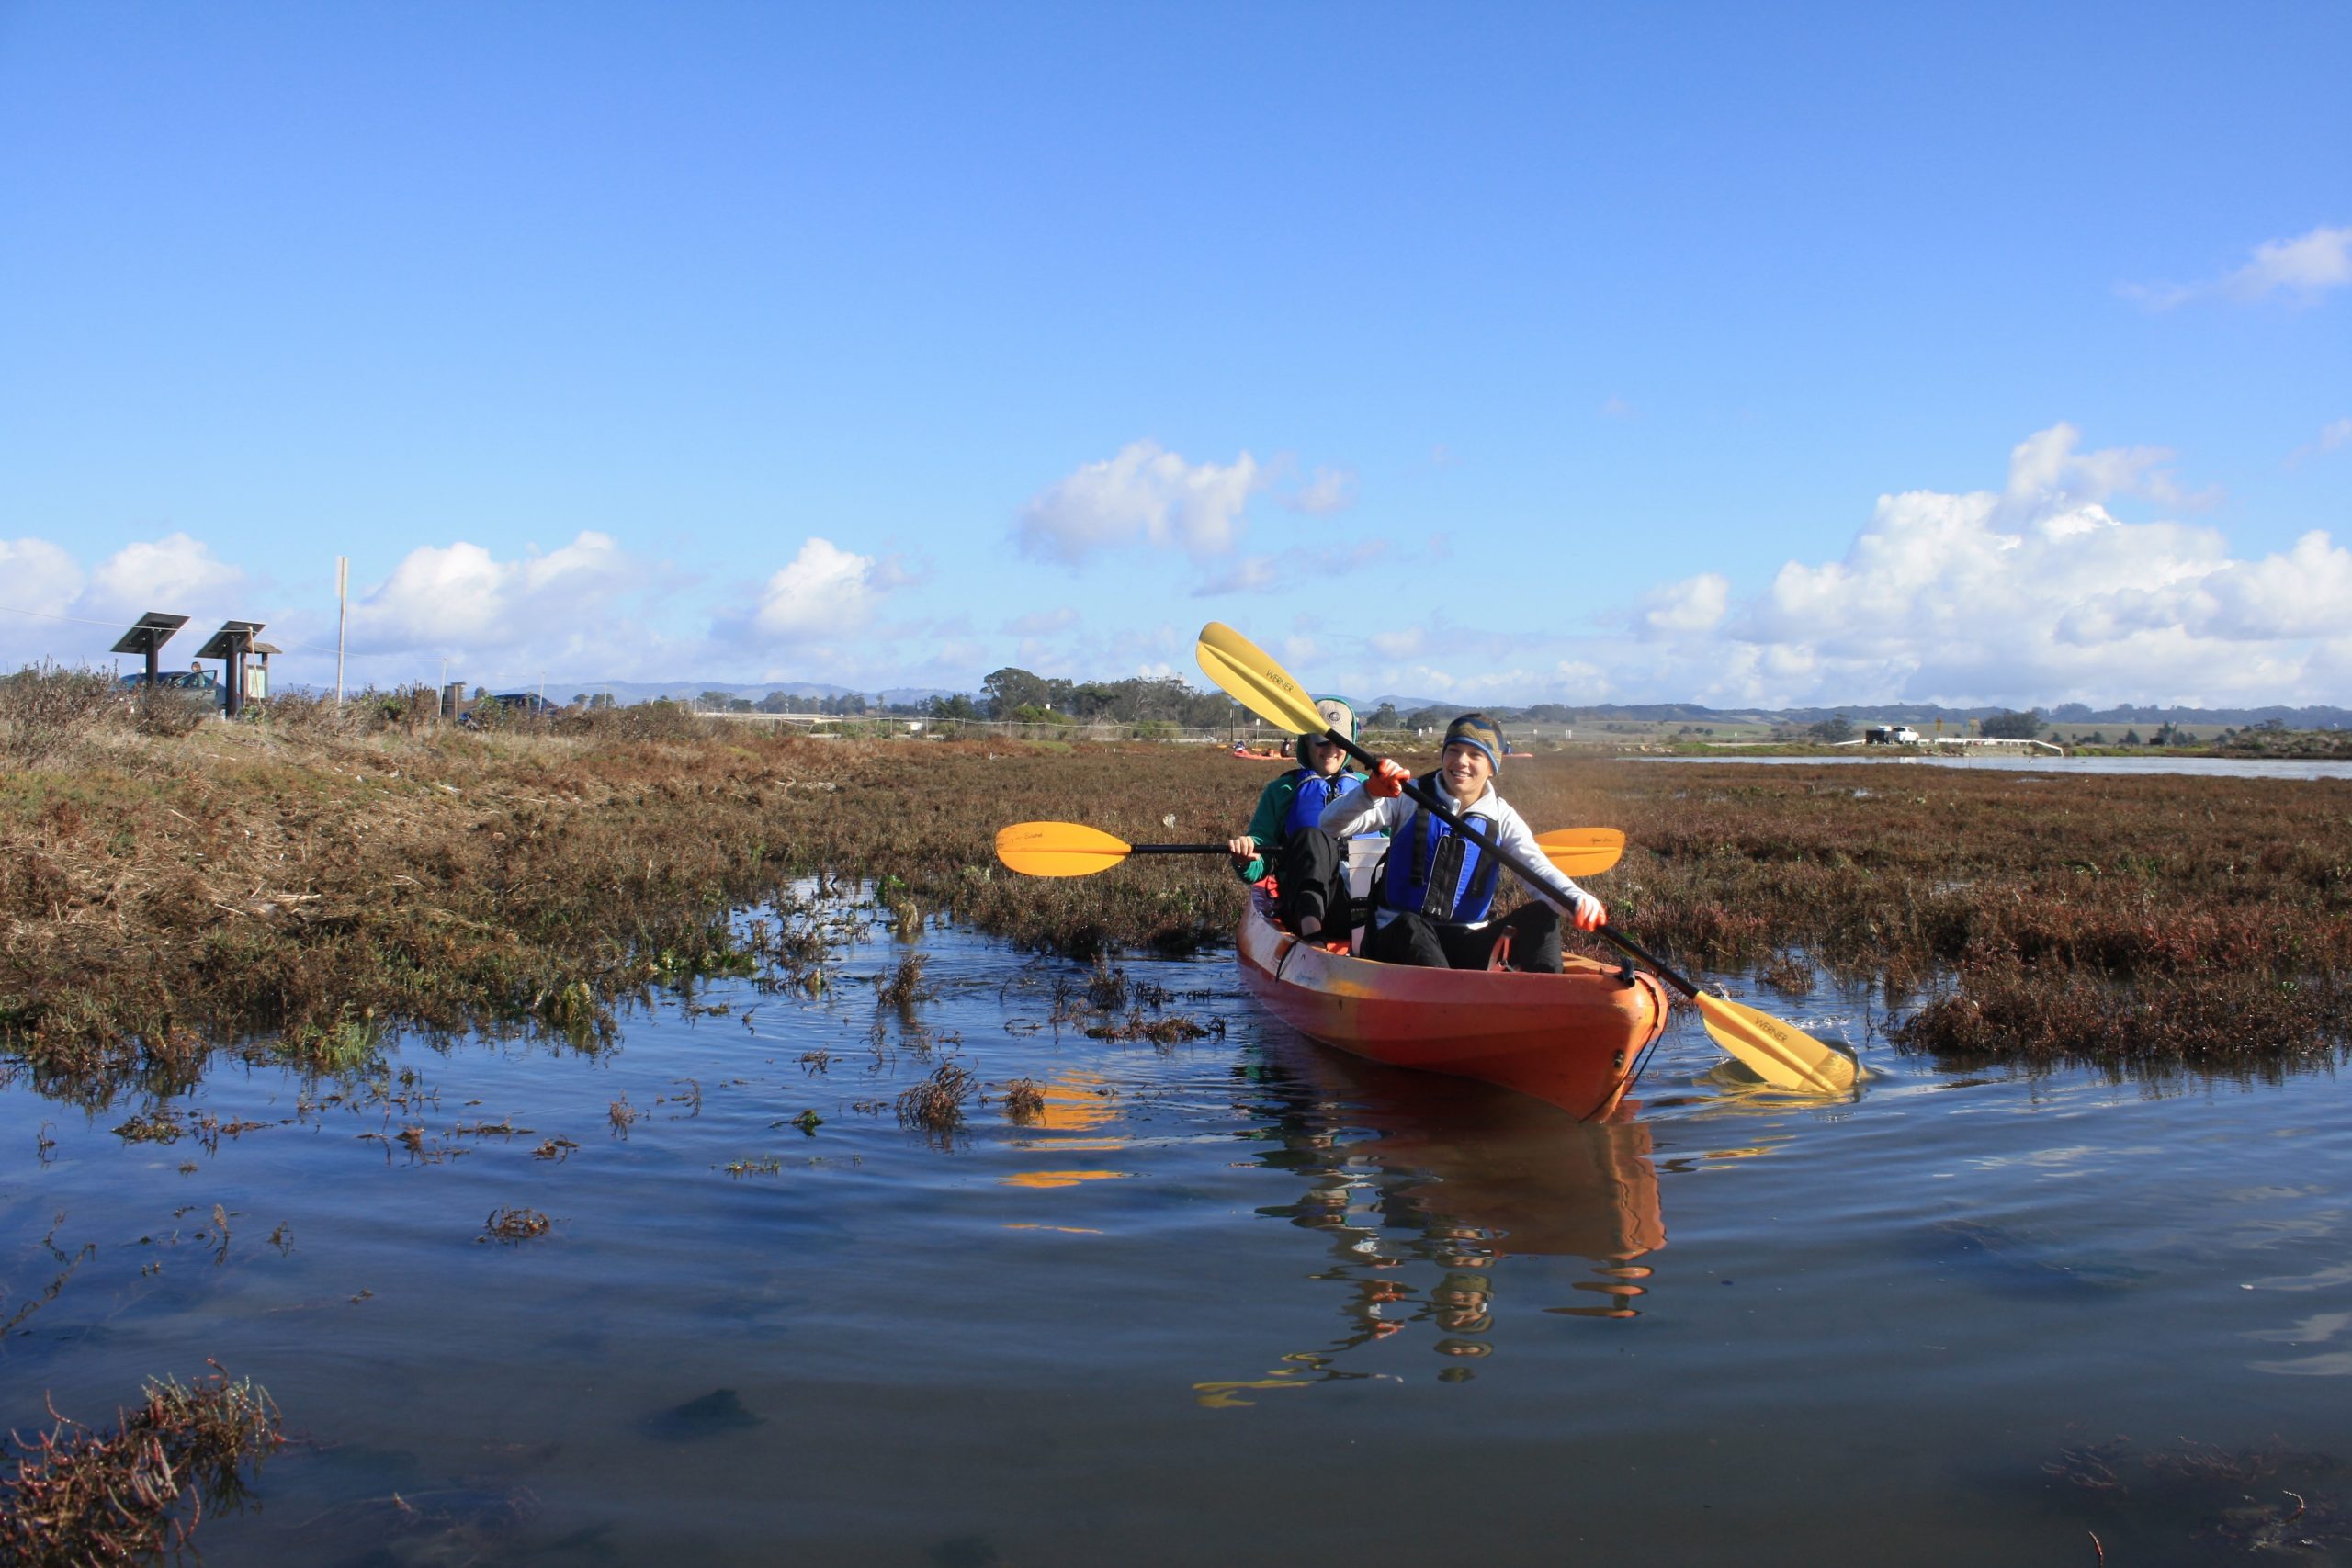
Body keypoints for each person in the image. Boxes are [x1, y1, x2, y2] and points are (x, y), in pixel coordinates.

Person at [1320, 713, 1605, 973]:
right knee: (1411, 926)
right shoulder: (1408, 796)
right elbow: (1330, 825)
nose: (1461, 762)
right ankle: (1449, 1001)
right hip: (1397, 935)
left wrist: (1576, 899)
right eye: (1453, 751)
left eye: (1474, 754)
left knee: (1544, 915)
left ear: (1492, 767)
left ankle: (1545, 1002)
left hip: (1466, 940)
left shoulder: (1502, 817)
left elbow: (1537, 870)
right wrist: (1370, 791)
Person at [1227, 695, 1367, 943]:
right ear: (1306, 741)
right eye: (1321, 740)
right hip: (1306, 908)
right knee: (1312, 837)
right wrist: (1245, 861)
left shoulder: (1372, 789)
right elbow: (1258, 867)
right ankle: (1313, 935)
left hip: (1365, 906)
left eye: (1340, 741)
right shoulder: (1281, 790)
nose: (1331, 750)